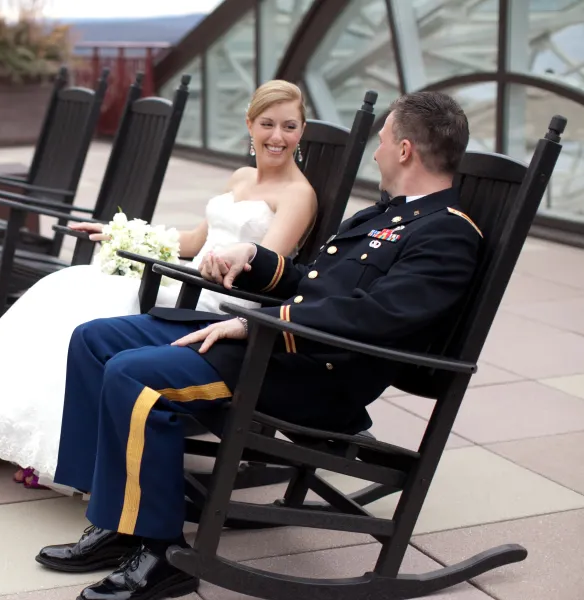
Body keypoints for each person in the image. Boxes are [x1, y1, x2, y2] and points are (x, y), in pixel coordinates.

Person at [35, 90, 482, 600]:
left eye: (381, 141)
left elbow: (374, 317)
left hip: (311, 373)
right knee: (96, 339)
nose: (375, 152)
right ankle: (118, 520)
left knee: (132, 375)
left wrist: (258, 324)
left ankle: (159, 554)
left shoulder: (447, 234)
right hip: (280, 346)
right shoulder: (383, 215)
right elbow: (315, 283)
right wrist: (256, 258)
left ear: (404, 150)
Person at [0, 80, 318, 514]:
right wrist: (121, 234)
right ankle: (36, 442)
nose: (278, 137)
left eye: (290, 127)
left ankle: (59, 453)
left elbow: (264, 265)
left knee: (85, 300)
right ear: (250, 126)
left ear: (302, 132)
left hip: (215, 303)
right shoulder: (240, 179)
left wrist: (234, 255)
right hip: (184, 277)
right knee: (63, 287)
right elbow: (193, 242)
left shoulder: (298, 194)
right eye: (268, 124)